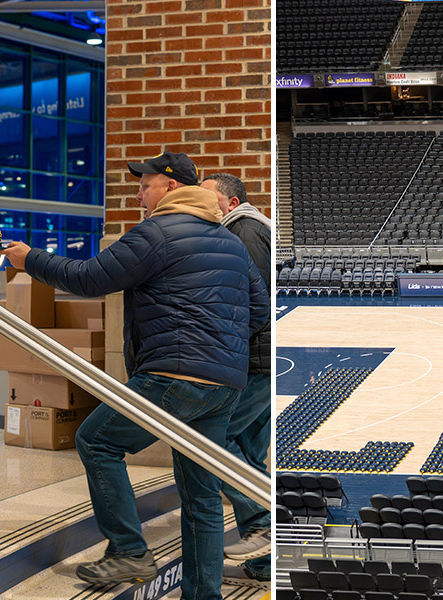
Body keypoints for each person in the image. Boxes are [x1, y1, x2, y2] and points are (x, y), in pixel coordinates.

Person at [0, 151, 268, 600]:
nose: (138, 194)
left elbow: (88, 278)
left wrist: (30, 259)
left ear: (170, 188)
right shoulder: (230, 242)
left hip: (172, 374)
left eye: (145, 186)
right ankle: (203, 595)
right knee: (201, 493)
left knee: (97, 440)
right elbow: (258, 312)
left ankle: (129, 550)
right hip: (224, 383)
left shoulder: (157, 232)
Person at [199, 173, 272, 585]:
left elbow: (248, 299)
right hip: (262, 360)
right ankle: (264, 566)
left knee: (215, 435)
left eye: (209, 198)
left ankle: (262, 520)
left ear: (231, 202)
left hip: (253, 362)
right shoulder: (249, 228)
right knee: (247, 450)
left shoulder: (242, 232)